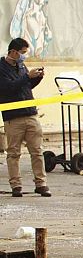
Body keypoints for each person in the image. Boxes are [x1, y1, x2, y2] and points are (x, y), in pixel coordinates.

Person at [0, 38, 48, 197]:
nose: (24, 57)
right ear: (13, 52)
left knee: (37, 151)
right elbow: (9, 88)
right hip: (14, 118)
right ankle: (16, 185)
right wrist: (27, 77)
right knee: (13, 153)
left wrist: (37, 78)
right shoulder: (1, 68)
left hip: (31, 114)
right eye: (22, 53)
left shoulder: (21, 66)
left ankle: (41, 184)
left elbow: (25, 86)